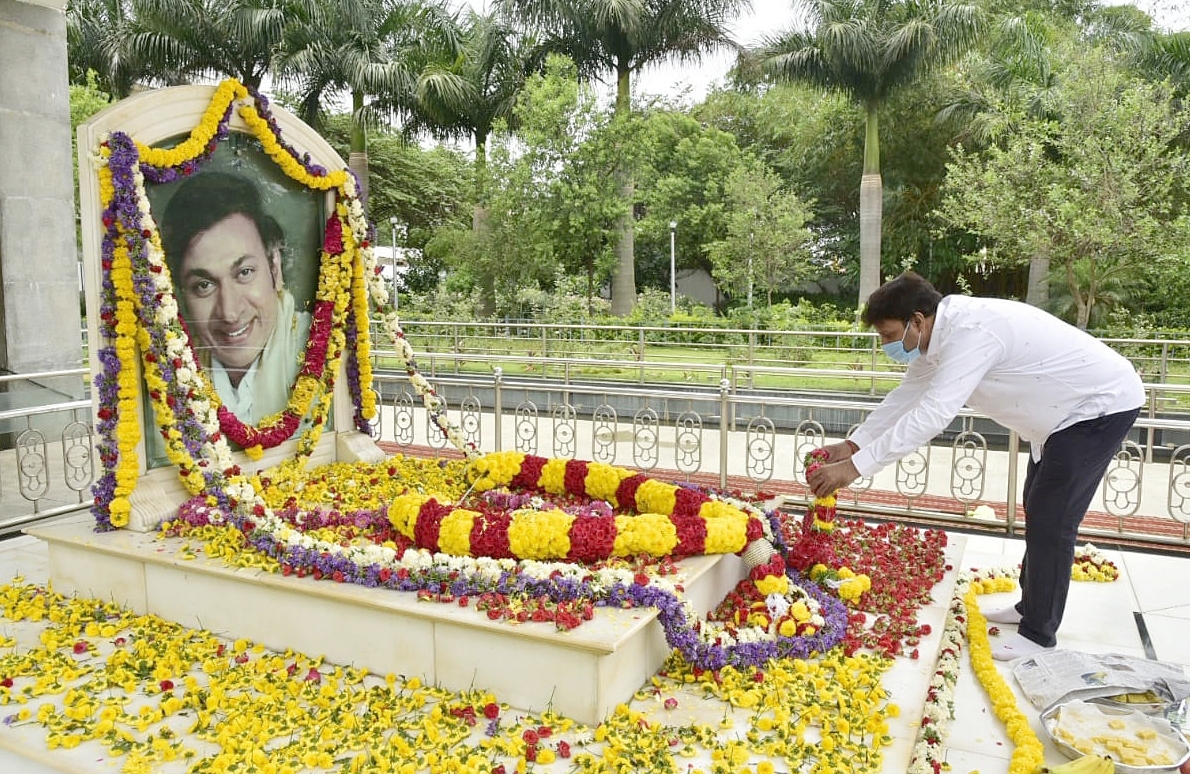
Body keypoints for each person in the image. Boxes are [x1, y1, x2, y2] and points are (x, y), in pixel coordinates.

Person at [806, 271, 1144, 661]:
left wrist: (854, 468)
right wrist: (853, 444)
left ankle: (1039, 634)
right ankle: (1028, 608)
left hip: (1098, 407)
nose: (885, 345)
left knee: (1054, 519)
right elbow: (907, 396)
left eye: (887, 335)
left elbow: (933, 414)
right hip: (1062, 417)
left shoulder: (971, 332)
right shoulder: (937, 338)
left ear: (917, 320)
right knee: (1038, 505)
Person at [160, 171, 311, 428]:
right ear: (180, 295)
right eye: (204, 285)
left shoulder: (317, 346)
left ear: (274, 266)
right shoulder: (167, 372)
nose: (229, 312)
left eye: (244, 273)